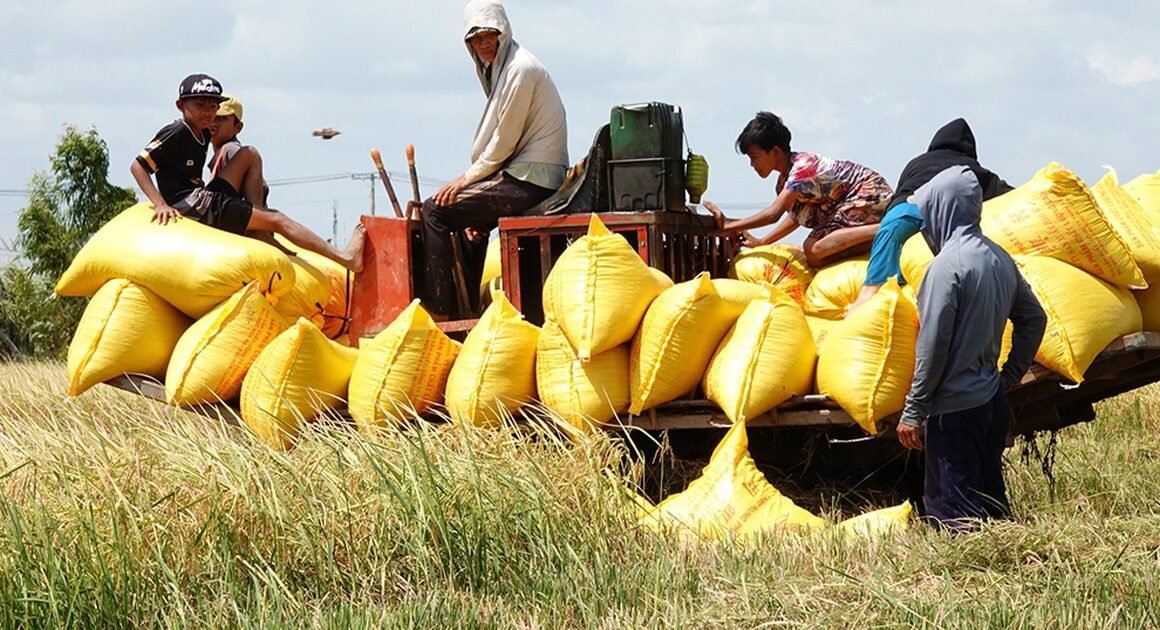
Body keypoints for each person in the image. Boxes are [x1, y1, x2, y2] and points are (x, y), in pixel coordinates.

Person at [896, 165, 1046, 533]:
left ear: (942, 209)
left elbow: (932, 347)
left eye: (928, 211)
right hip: (990, 403)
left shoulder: (945, 268)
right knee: (991, 500)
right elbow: (1034, 319)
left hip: (953, 411)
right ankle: (1016, 574)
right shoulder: (998, 258)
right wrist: (1008, 375)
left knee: (956, 516)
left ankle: (975, 584)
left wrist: (914, 410)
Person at [419, 0, 568, 319]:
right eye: (476, 39)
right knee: (469, 226)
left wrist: (467, 178)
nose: (484, 44)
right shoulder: (499, 67)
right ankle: (469, 311)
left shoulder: (520, 69)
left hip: (532, 178)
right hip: (522, 172)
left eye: (489, 36)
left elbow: (503, 141)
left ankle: (441, 313)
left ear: (503, 32)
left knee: (434, 212)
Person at [130, 75, 365, 272]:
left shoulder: (201, 133)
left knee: (249, 153)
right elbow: (138, 166)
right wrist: (160, 204)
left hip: (201, 197)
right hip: (193, 205)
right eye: (200, 106)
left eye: (213, 107)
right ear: (180, 105)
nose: (208, 113)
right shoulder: (177, 131)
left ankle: (259, 223)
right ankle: (346, 259)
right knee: (278, 219)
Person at [849, 118, 1014, 313]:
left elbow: (898, 195)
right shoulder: (972, 169)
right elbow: (1011, 196)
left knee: (872, 290)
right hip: (937, 223)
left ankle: (844, 338)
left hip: (898, 219)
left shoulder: (916, 163)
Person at [703, 112, 892, 267]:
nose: (752, 164)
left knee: (813, 249)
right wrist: (763, 242)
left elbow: (773, 214)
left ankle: (887, 228)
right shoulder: (783, 183)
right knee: (816, 257)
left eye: (754, 157)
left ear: (776, 152)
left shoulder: (803, 167)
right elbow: (796, 217)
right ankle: (874, 241)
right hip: (847, 203)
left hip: (868, 193)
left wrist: (729, 224)